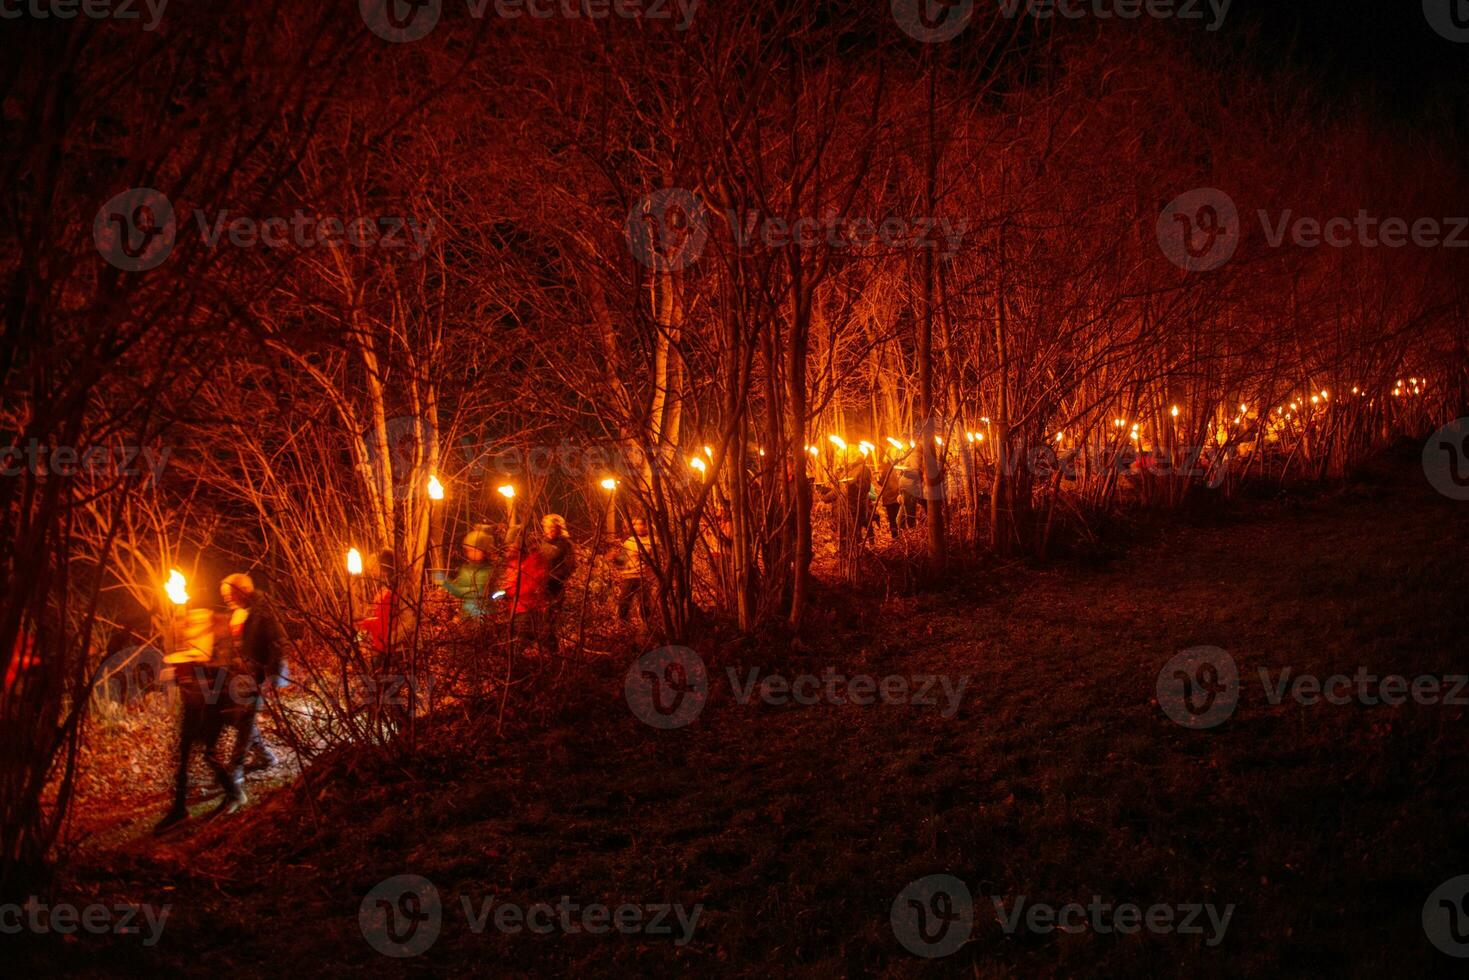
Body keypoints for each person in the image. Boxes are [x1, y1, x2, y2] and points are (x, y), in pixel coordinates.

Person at [220, 573, 286, 773]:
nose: (228, 598)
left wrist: (271, 676)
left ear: (244, 590)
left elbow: (278, 642)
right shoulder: (241, 612)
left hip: (258, 674)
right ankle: (265, 756)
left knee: (246, 718)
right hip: (242, 676)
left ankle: (235, 768)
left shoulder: (263, 609)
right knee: (239, 718)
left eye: (231, 594)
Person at [499, 536, 554, 651]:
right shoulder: (513, 562)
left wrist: (509, 591)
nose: (509, 550)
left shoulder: (535, 561)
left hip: (528, 607)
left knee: (523, 639)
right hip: (518, 607)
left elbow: (530, 586)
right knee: (521, 637)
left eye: (512, 546)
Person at [538, 514, 576, 648]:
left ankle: (551, 646)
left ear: (559, 528)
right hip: (541, 585)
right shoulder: (543, 543)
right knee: (541, 617)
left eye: (553, 527)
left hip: (556, 585)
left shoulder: (565, 545)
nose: (550, 530)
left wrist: (554, 577)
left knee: (551, 615)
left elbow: (570, 565)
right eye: (547, 527)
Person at [442, 525, 497, 618]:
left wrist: (449, 586)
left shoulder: (488, 570)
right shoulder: (466, 569)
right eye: (469, 550)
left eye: (474, 550)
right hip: (467, 615)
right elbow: (460, 589)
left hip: (483, 614)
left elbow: (478, 592)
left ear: (484, 551)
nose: (470, 553)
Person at [612, 517, 653, 624]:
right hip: (629, 577)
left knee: (645, 606)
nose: (638, 527)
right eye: (635, 524)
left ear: (646, 526)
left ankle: (647, 626)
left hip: (644, 577)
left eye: (641, 524)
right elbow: (622, 560)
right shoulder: (629, 541)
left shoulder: (652, 541)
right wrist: (614, 557)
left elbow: (656, 561)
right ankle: (623, 626)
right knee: (623, 603)